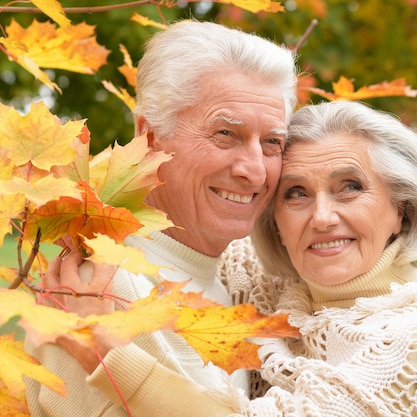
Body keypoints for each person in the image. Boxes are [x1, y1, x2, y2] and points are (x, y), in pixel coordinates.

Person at [53, 100, 417, 416]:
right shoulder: (273, 286)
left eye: (351, 187)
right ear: (275, 221)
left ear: (402, 208)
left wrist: (109, 356)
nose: (322, 217)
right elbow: (180, 223)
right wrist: (74, 222)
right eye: (296, 194)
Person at [25, 19, 298, 416]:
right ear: (150, 138)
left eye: (272, 142)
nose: (255, 171)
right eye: (225, 134)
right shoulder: (99, 292)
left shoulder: (238, 282)